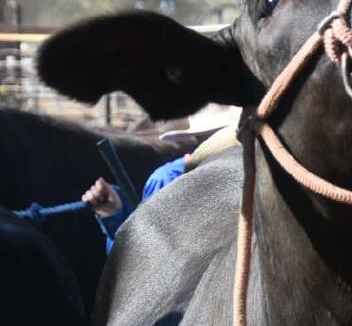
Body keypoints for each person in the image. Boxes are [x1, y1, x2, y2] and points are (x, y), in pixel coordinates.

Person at [82, 104, 241, 251]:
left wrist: (115, 218)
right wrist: (115, 217)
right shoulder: (169, 178)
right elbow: (146, 257)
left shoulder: (168, 177)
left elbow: (142, 260)